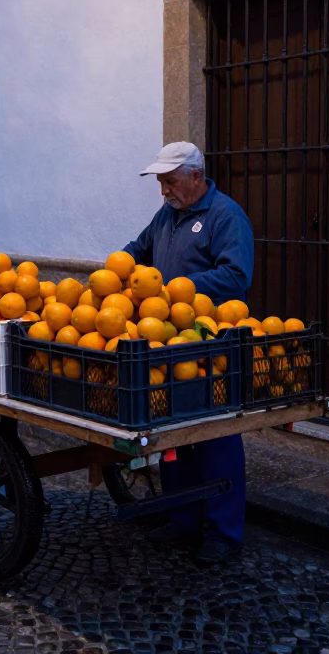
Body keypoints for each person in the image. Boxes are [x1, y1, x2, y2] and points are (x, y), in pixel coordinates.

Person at [122, 142, 254, 565]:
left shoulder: (225, 216)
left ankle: (222, 532)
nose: (164, 190)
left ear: (196, 177)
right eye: (161, 182)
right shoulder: (168, 215)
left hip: (209, 342)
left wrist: (181, 290)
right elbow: (138, 250)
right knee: (171, 432)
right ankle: (182, 520)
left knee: (214, 433)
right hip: (167, 340)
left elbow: (236, 276)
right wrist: (114, 269)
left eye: (170, 181)